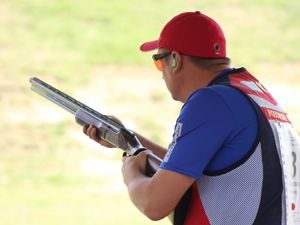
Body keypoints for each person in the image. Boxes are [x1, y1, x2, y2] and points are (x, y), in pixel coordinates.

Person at [83, 11, 300, 225]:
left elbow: (154, 204)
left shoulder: (210, 101)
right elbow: (184, 165)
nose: (160, 72)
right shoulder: (250, 93)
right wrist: (127, 138)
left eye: (159, 62)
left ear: (175, 60)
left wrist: (131, 172)